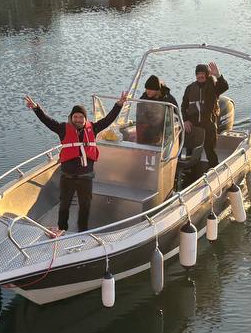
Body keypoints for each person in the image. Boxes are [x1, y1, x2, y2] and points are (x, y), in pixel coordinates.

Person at [24, 91, 127, 236]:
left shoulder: (94, 128)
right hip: (67, 177)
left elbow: (109, 119)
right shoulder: (62, 129)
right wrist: (36, 108)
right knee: (64, 205)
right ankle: (61, 229)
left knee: (85, 206)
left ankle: (83, 231)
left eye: (81, 117)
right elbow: (47, 121)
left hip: (86, 177)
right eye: (75, 117)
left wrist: (119, 104)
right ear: (71, 118)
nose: (78, 119)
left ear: (85, 119)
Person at [181, 61, 229, 171]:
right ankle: (188, 170)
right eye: (198, 73)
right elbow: (184, 106)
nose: (200, 75)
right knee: (189, 149)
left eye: (203, 74)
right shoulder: (189, 88)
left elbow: (225, 86)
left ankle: (214, 170)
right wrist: (185, 120)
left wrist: (217, 75)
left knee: (210, 150)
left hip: (208, 124)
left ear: (207, 75)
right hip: (193, 125)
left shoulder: (213, 86)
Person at [135, 74, 178, 146]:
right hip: (150, 124)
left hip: (164, 126)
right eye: (146, 89)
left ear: (157, 90)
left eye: (150, 89)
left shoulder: (168, 99)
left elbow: (176, 115)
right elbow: (140, 110)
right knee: (146, 133)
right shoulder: (144, 97)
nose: (148, 91)